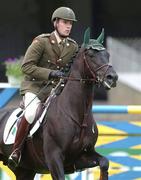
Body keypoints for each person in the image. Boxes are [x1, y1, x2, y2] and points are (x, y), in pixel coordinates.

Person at [8, 6, 78, 169]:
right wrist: (50, 73)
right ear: (56, 23)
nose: (68, 26)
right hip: (35, 87)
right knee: (32, 113)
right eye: (65, 22)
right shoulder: (42, 41)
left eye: (70, 24)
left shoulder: (73, 47)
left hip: (55, 91)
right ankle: (16, 151)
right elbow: (26, 67)